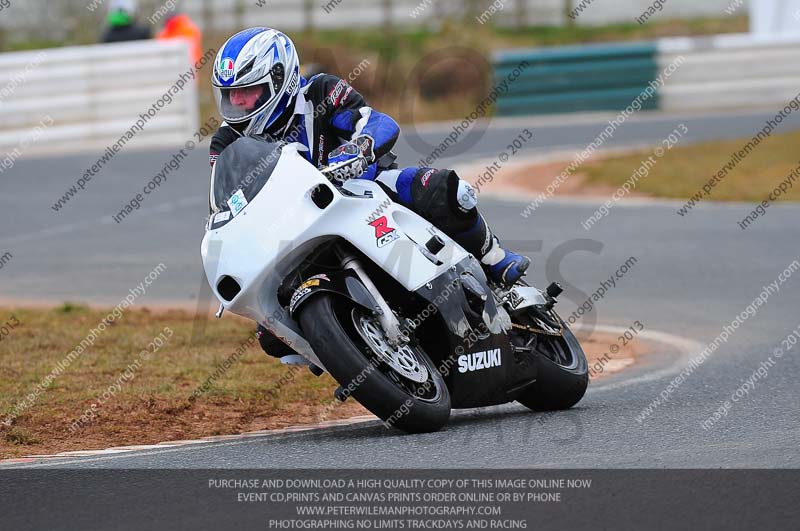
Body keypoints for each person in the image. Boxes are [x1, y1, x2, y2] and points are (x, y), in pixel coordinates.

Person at [208, 28, 530, 360]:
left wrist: (361, 147)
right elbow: (226, 200)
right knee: (271, 335)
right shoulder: (226, 141)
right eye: (230, 94)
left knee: (446, 191)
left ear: (281, 81)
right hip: (294, 226)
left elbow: (376, 122)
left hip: (364, 189)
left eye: (248, 91)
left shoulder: (321, 91)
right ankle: (351, 355)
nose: (237, 102)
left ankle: (496, 263)